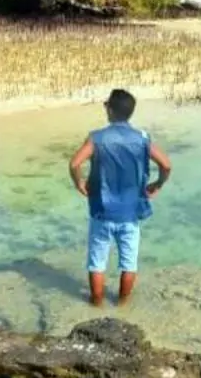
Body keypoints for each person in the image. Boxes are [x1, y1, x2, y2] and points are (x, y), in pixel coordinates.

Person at [68, 88, 172, 307]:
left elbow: (75, 163)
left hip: (101, 211)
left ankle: (96, 306)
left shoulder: (96, 138)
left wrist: (79, 183)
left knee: (97, 263)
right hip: (130, 213)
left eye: (106, 105)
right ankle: (123, 306)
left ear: (110, 110)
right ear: (130, 112)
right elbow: (166, 165)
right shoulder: (142, 138)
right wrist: (158, 184)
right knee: (129, 263)